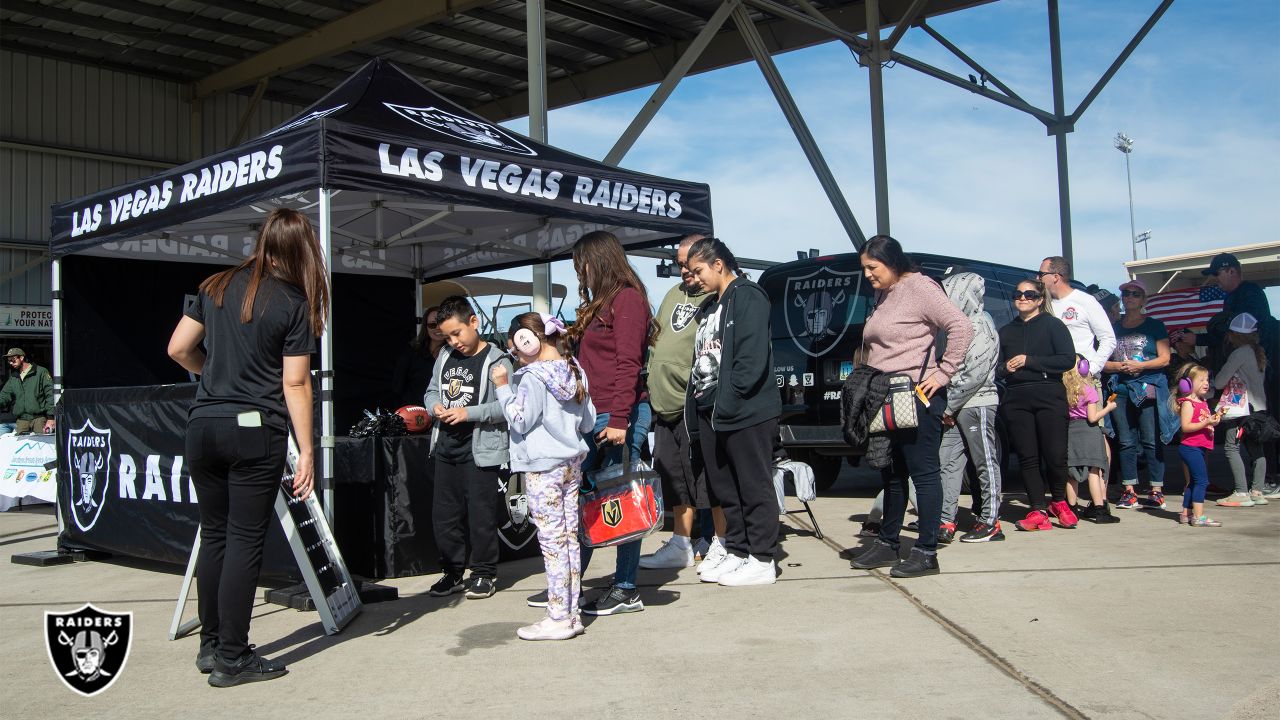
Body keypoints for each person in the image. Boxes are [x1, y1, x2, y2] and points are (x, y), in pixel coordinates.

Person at [166, 207, 329, 687]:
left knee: (214, 535)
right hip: (254, 429)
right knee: (242, 540)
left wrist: (213, 375)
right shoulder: (294, 302)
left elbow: (177, 349)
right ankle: (233, 657)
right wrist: (308, 450)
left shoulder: (214, 285)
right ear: (303, 251)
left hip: (203, 424)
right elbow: (296, 384)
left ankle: (211, 644)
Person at [849, 236, 972, 578]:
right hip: (885, 396)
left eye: (873, 268)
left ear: (892, 261)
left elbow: (961, 326)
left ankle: (926, 551)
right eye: (865, 269)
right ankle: (888, 543)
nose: (868, 275)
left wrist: (944, 372)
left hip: (916, 397)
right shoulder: (884, 294)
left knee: (924, 472)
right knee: (891, 472)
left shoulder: (920, 287)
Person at [684, 237, 784, 586]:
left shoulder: (748, 296)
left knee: (753, 484)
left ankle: (763, 558)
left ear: (718, 264)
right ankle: (738, 550)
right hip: (712, 408)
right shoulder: (711, 306)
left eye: (698, 270)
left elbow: (751, 359)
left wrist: (730, 399)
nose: (693, 278)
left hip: (746, 410)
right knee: (726, 487)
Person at [564, 231, 654, 616]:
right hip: (595, 413)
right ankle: (570, 584)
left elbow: (628, 364)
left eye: (580, 263)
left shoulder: (627, 299)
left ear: (596, 260)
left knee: (622, 496)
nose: (578, 271)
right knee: (586, 497)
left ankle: (626, 587)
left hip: (619, 415)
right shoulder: (601, 303)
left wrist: (619, 419)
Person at [493, 312, 595, 641]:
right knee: (568, 539)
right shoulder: (575, 369)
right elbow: (589, 421)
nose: (516, 355)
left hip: (542, 467)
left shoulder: (532, 377)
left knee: (552, 543)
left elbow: (519, 420)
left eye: (515, 349)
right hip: (571, 464)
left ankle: (557, 616)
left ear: (529, 341)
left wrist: (503, 389)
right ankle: (571, 613)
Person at [639, 234, 729, 571]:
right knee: (672, 475)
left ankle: (722, 542)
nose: (684, 271)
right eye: (679, 264)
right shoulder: (673, 293)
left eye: (688, 264)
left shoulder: (718, 295)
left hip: (697, 403)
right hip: (663, 403)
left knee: (707, 476)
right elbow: (658, 336)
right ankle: (681, 543)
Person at [424, 295, 512, 600]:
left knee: (481, 515)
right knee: (445, 516)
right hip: (446, 447)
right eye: (447, 336)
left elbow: (507, 407)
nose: (453, 341)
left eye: (457, 333)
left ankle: (484, 573)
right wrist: (434, 405)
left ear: (473, 322)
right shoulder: (445, 356)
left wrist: (468, 413)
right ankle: (452, 573)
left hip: (481, 450)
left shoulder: (499, 360)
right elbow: (432, 390)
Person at [995, 279, 1077, 532]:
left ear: (1040, 299)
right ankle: (1037, 508)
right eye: (1017, 294)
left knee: (1055, 454)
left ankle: (1059, 501)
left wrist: (1030, 361)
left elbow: (1066, 359)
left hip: (1049, 394)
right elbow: (995, 369)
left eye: (1029, 294)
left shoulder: (1054, 325)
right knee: (1027, 457)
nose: (1022, 298)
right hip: (1017, 398)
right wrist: (1005, 368)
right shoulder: (1006, 331)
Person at [936, 273, 1004, 544]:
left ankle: (990, 521)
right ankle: (944, 520)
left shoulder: (981, 325)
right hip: (955, 406)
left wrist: (949, 405)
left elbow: (975, 373)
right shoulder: (958, 325)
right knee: (947, 461)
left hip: (978, 403)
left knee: (984, 462)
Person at [1104, 279, 1174, 511]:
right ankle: (1129, 490)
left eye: (1135, 293)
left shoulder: (1154, 325)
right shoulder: (1113, 328)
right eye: (1125, 293)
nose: (1129, 297)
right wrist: (1120, 367)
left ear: (1144, 300)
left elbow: (1165, 358)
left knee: (1151, 439)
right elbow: (1103, 362)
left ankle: (1156, 490)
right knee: (1125, 441)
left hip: (1148, 388)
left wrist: (1141, 366)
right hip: (1122, 390)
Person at [1214, 313, 1269, 507]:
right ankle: (1257, 491)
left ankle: (1241, 492)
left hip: (1241, 410)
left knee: (1231, 446)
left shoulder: (1240, 353)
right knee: (1257, 449)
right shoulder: (1258, 351)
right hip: (1259, 409)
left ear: (1233, 335)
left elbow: (1220, 381)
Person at [1038, 256, 1117, 381]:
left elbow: (1108, 339)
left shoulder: (1085, 300)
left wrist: (1091, 369)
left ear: (1056, 277)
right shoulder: (1043, 305)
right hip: (1054, 381)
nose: (1037, 278)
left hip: (1083, 381)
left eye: (1041, 274)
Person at [1063, 357, 1119, 523]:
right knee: (1094, 471)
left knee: (1071, 473)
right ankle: (1100, 511)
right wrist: (1108, 408)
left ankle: (1071, 511)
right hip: (1089, 432)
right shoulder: (1088, 389)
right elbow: (1093, 417)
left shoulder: (1064, 390)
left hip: (1070, 431)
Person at [1173, 364, 1223, 527]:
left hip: (1199, 447)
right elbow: (1186, 427)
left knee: (1194, 482)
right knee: (1202, 481)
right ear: (1188, 383)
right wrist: (1206, 422)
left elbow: (1202, 423)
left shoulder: (1202, 401)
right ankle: (1199, 516)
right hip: (1190, 447)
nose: (1206, 383)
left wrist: (1212, 422)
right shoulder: (1188, 403)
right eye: (1201, 380)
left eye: (1207, 379)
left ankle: (1186, 513)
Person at [391, 305, 445, 407]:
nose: (438, 328)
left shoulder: (456, 354)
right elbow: (397, 387)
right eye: (432, 325)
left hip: (445, 414)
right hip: (415, 414)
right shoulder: (412, 352)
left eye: (441, 323)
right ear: (425, 327)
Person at [0, 348, 55, 434]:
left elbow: (51, 395)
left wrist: (51, 417)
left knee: (41, 445)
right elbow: (4, 396)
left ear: (21, 358)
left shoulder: (40, 372)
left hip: (39, 420)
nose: (11, 363)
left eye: (13, 360)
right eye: (9, 361)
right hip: (21, 421)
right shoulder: (14, 377)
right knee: (20, 447)